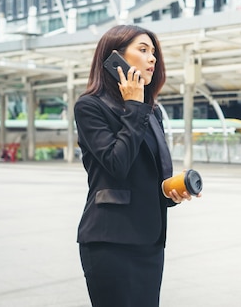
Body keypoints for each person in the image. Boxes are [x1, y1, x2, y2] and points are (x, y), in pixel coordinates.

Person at [74, 24, 197, 307]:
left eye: (153, 52)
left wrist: (171, 193)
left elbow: (149, 177)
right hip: (111, 241)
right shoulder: (90, 107)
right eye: (142, 50)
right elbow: (117, 164)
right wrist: (134, 106)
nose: (152, 58)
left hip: (149, 242)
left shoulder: (150, 112)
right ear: (113, 58)